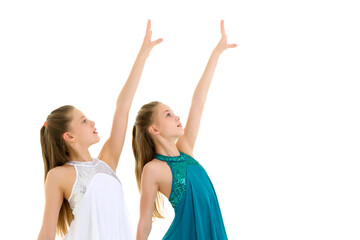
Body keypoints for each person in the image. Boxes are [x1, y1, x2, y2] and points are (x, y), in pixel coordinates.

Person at [37, 20, 163, 240]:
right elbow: (47, 233)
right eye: (84, 121)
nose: (92, 122)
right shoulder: (58, 176)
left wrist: (143, 54)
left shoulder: (107, 163)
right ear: (69, 136)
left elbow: (122, 108)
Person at [132, 20, 237, 240]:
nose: (177, 117)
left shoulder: (185, 150)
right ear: (154, 129)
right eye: (168, 115)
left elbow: (198, 101)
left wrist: (216, 53)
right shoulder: (153, 169)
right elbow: (144, 224)